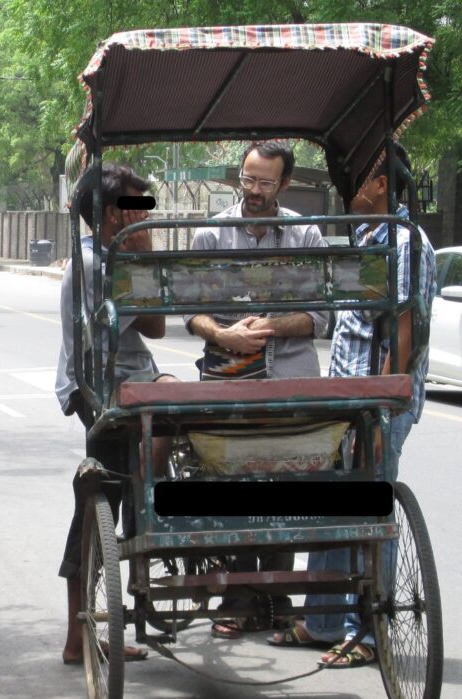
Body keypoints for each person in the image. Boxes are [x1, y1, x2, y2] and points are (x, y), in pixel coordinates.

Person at [270, 142, 436, 667]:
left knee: (369, 510)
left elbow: (403, 332)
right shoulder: (370, 237)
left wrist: (378, 408)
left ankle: (368, 632)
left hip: (376, 403)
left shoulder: (404, 243)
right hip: (347, 400)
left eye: (358, 179)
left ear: (382, 185)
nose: (348, 190)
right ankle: (323, 620)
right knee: (331, 502)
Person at [184, 140, 328, 639]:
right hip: (227, 376)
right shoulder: (211, 234)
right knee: (233, 483)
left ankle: (277, 595)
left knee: (288, 487)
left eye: (266, 182)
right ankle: (240, 596)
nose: (255, 191)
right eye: (248, 179)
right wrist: (223, 334)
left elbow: (321, 316)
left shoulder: (305, 234)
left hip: (289, 375)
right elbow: (190, 310)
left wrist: (269, 326)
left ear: (284, 184)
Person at [56, 163, 178, 664]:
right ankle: (78, 633)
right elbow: (154, 322)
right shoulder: (94, 265)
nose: (144, 218)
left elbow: (155, 332)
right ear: (111, 216)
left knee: (175, 411)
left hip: (133, 378)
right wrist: (145, 255)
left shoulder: (113, 257)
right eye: (136, 208)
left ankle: (142, 518)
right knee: (98, 499)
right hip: (98, 388)